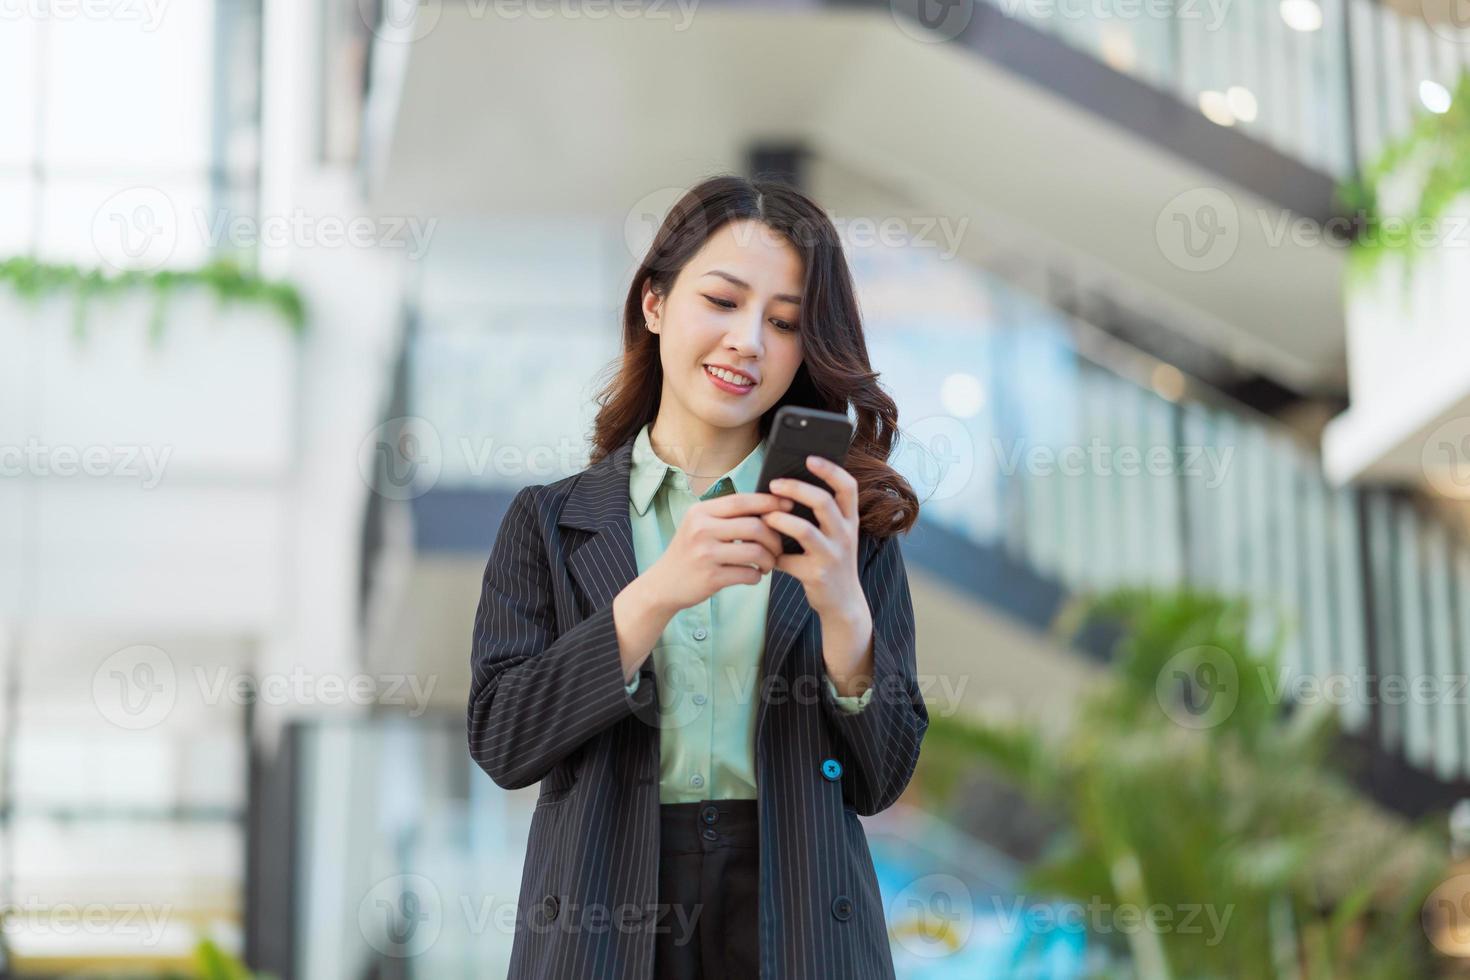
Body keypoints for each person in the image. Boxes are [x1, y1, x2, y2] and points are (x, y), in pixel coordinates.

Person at [468, 174, 926, 979]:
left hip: (800, 915)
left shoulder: (843, 527)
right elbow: (505, 742)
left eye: (783, 322)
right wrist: (652, 596)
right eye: (722, 301)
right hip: (604, 914)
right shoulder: (546, 522)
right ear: (654, 303)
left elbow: (880, 779)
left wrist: (845, 615)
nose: (748, 340)